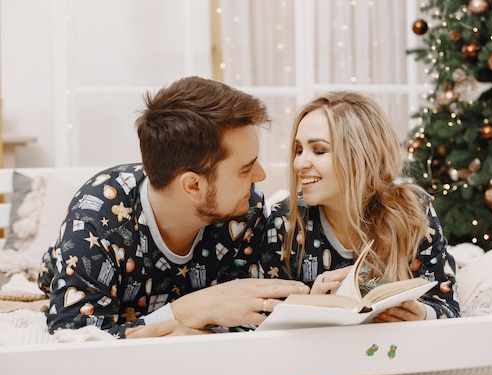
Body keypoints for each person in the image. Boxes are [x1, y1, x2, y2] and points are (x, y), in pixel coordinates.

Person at [37, 76, 309, 338]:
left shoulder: (246, 209)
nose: (260, 175)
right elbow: (74, 338)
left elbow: (258, 310)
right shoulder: (96, 223)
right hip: (74, 258)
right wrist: (186, 311)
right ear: (193, 186)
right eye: (245, 169)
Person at [260, 91, 460, 321]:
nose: (300, 163)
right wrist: (310, 309)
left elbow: (449, 307)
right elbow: (265, 323)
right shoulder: (284, 220)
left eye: (319, 150)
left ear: (360, 155)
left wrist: (422, 314)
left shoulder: (413, 210)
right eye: (298, 150)